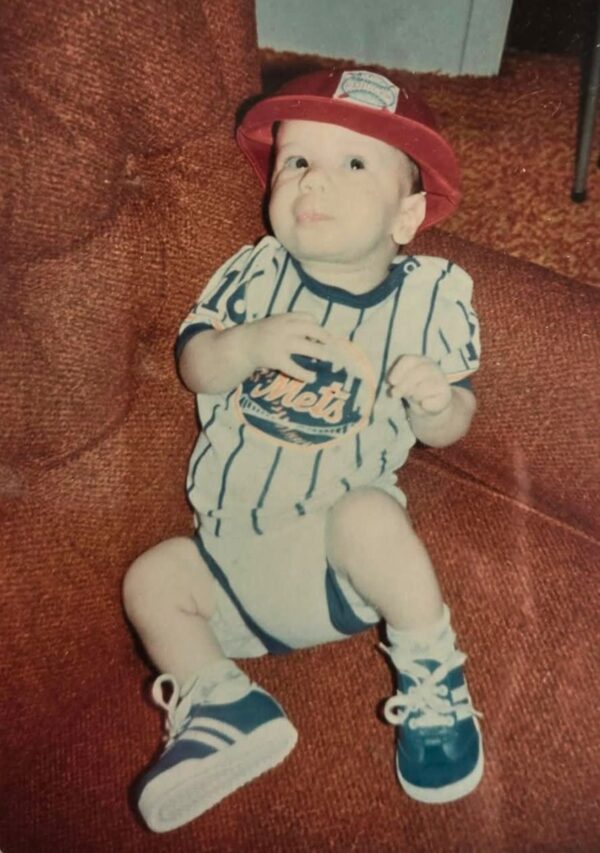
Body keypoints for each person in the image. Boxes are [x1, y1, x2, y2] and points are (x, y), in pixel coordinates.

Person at [122, 68, 483, 833]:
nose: (314, 179)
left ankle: (432, 676)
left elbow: (452, 425)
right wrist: (245, 345)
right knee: (151, 579)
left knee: (371, 515)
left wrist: (437, 402)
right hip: (228, 567)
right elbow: (195, 365)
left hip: (337, 559)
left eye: (353, 163)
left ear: (407, 214)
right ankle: (223, 701)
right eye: (296, 160)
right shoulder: (255, 271)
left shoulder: (428, 299)